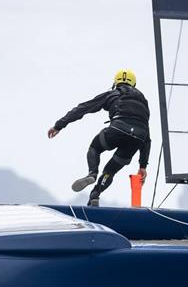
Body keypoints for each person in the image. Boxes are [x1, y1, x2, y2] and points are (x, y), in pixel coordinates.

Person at [47, 69, 150, 206]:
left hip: (118, 128)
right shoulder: (144, 103)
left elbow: (83, 108)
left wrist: (59, 125)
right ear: (134, 84)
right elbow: (147, 136)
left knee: (95, 148)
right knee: (110, 171)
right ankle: (95, 195)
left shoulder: (112, 94)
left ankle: (92, 174)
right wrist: (143, 165)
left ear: (115, 83)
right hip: (138, 137)